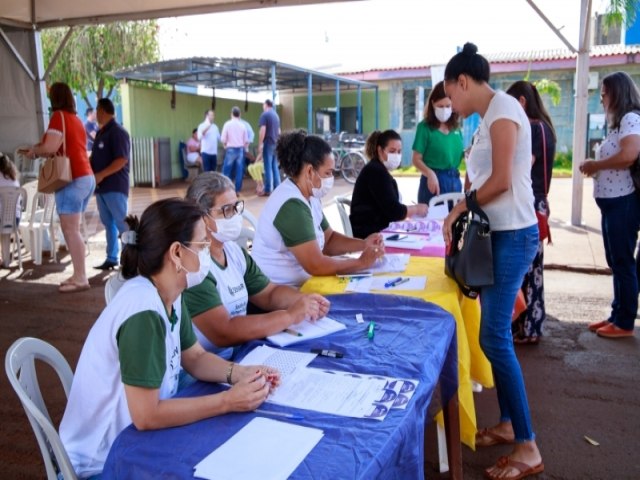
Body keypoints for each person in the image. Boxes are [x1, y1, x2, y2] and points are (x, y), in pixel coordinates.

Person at [59, 198, 280, 479]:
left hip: (136, 442)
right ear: (177, 252)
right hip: (105, 461)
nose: (207, 253)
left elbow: (196, 357)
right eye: (202, 245)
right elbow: (146, 415)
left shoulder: (169, 296)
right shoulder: (143, 311)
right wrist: (227, 402)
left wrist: (241, 373)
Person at [441, 43, 542, 479]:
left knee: (495, 338)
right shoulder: (486, 118)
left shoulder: (502, 109)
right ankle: (507, 423)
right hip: (495, 237)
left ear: (463, 82)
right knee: (492, 336)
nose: (450, 105)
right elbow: (487, 174)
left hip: (513, 236)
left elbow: (501, 180)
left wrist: (460, 206)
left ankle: (528, 446)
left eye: (450, 95)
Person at [183, 172, 331, 359]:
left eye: (237, 207)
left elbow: (269, 293)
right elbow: (224, 331)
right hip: (200, 368)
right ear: (202, 217)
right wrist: (290, 316)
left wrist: (306, 301)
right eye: (226, 210)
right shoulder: (195, 265)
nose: (235, 215)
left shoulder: (233, 252)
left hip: (235, 353)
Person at [252, 130, 385, 287]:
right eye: (327, 173)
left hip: (302, 284)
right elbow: (315, 265)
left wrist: (364, 244)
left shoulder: (310, 196)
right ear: (309, 171)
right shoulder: (292, 205)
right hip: (279, 291)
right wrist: (360, 263)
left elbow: (329, 241)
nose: (331, 179)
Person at [580, 71, 640, 339]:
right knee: (616, 261)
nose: (602, 98)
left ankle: (625, 321)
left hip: (623, 202)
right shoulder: (619, 124)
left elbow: (629, 155)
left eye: (605, 93)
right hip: (612, 204)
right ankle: (617, 314)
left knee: (623, 261)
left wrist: (596, 165)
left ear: (618, 92)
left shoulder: (631, 118)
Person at [23, 82, 95, 293]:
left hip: (71, 179)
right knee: (74, 230)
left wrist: (35, 150)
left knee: (70, 230)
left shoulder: (58, 117)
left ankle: (81, 277)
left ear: (54, 98)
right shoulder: (76, 120)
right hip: (85, 176)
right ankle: (78, 274)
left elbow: (50, 147)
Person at [506, 81, 557, 345]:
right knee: (533, 269)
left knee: (522, 269)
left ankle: (524, 327)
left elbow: (523, 167)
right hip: (540, 203)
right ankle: (532, 325)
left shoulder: (532, 128)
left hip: (529, 205)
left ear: (521, 103)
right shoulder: (546, 127)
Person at [350, 129, 428, 238]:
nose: (396, 155)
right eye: (392, 151)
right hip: (370, 233)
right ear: (380, 151)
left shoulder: (378, 169)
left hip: (377, 228)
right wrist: (416, 209)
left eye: (399, 151)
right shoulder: (376, 172)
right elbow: (395, 211)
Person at [91, 98, 131, 271]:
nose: (95, 114)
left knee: (122, 224)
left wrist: (101, 174)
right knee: (108, 223)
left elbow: (122, 159)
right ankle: (111, 257)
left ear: (103, 110)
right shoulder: (102, 132)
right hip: (101, 187)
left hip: (114, 186)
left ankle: (130, 259)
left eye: (97, 110)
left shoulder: (118, 132)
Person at [411, 80, 464, 204]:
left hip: (454, 181)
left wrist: (468, 152)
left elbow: (455, 154)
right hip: (433, 183)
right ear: (433, 104)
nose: (445, 110)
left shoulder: (456, 128)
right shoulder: (424, 127)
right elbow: (416, 159)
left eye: (448, 106)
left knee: (454, 221)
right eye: (441, 106)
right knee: (435, 222)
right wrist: (429, 173)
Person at [221, 106, 249, 193]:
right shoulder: (243, 125)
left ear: (231, 114)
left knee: (226, 171)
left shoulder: (227, 124)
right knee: (239, 171)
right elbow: (246, 141)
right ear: (239, 114)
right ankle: (237, 190)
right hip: (240, 149)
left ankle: (225, 190)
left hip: (230, 149)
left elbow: (223, 139)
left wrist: (225, 145)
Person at [257, 99, 281, 196]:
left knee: (267, 167)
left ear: (266, 104)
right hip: (276, 143)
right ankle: (277, 187)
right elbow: (279, 131)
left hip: (268, 142)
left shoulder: (265, 115)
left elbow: (263, 130)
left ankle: (268, 189)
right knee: (274, 166)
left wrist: (260, 143)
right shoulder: (276, 115)